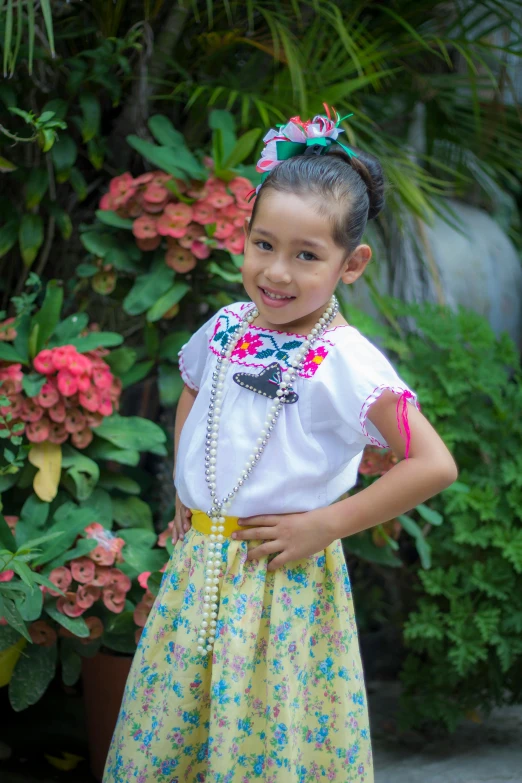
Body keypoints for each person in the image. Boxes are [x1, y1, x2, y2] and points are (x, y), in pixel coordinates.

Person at [103, 109, 457, 783]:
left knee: (263, 737)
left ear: (351, 263)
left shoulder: (347, 362)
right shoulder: (229, 325)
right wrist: (187, 487)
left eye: (306, 255)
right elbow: (192, 387)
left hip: (281, 581)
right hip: (200, 566)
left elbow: (433, 463)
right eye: (263, 245)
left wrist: (325, 524)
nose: (277, 272)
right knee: (176, 726)